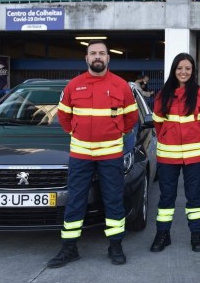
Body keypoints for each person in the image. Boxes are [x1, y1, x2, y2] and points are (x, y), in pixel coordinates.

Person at [48, 40, 139, 268]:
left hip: (110, 155)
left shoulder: (121, 86)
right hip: (80, 155)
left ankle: (115, 245)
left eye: (101, 53)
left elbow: (131, 118)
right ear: (86, 59)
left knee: (113, 201)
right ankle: (70, 248)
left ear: (108, 58)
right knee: (76, 201)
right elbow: (64, 116)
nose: (97, 57)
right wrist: (76, 133)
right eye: (93, 53)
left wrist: (115, 132)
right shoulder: (73, 85)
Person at [149, 53, 200, 253]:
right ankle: (162, 234)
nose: (183, 72)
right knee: (166, 197)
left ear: (193, 71)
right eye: (179, 68)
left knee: (194, 196)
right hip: (168, 155)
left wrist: (198, 133)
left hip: (194, 155)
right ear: (173, 70)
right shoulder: (163, 94)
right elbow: (158, 123)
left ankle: (196, 234)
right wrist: (168, 137)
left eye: (187, 68)